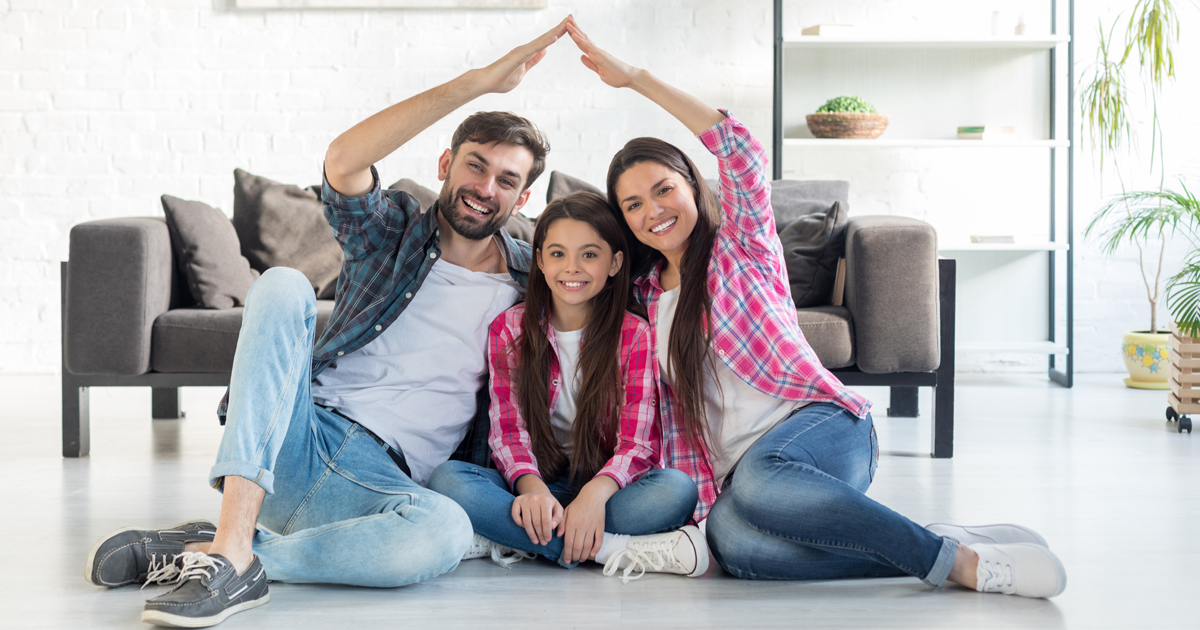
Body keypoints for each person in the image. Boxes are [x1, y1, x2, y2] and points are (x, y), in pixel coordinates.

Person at [83, 18, 571, 628]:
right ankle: (231, 549)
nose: (485, 187)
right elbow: (343, 160)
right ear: (446, 163)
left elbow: (617, 285)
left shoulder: (536, 280)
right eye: (475, 165)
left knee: (445, 533)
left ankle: (219, 554)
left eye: (506, 180)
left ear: (522, 200)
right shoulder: (391, 230)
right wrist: (475, 83)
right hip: (297, 439)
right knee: (283, 284)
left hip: (382, 482)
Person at [566, 18, 1068, 598]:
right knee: (733, 543)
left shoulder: (741, 245)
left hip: (823, 430)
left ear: (691, 186)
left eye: (663, 189)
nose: (652, 210)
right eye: (632, 204)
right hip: (740, 478)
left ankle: (963, 566)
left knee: (760, 483)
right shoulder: (644, 299)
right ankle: (932, 541)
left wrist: (635, 78)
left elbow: (739, 148)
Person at [429, 192, 704, 582]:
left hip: (607, 491)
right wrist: (532, 489)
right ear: (540, 260)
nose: (572, 267)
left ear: (615, 263)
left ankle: (509, 538)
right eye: (558, 254)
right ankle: (611, 550)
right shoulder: (510, 329)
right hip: (537, 485)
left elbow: (638, 444)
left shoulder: (635, 334)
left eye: (589, 254)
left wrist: (594, 494)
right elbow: (508, 430)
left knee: (676, 490)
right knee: (448, 480)